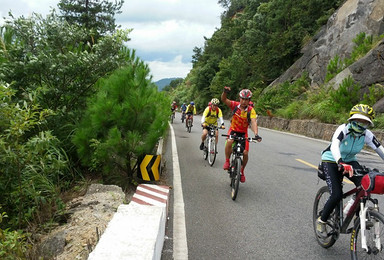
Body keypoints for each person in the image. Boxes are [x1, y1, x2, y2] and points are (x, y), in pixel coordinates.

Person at [316, 104, 384, 238]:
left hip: (350, 161)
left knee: (366, 185)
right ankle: (322, 220)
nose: (360, 124)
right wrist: (340, 162)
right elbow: (335, 145)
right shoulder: (343, 129)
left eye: (364, 122)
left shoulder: (367, 135)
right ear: (351, 119)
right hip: (331, 160)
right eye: (358, 120)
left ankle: (353, 205)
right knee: (336, 194)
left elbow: (380, 150)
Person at [221, 86, 262, 183]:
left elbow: (253, 122)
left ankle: (242, 171)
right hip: (233, 130)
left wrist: (256, 134)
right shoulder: (235, 105)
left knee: (245, 153)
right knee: (230, 141)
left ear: (249, 100)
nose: (244, 101)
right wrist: (225, 92)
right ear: (240, 99)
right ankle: (227, 161)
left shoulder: (251, 110)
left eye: (246, 100)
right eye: (242, 99)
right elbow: (223, 99)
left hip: (243, 133)